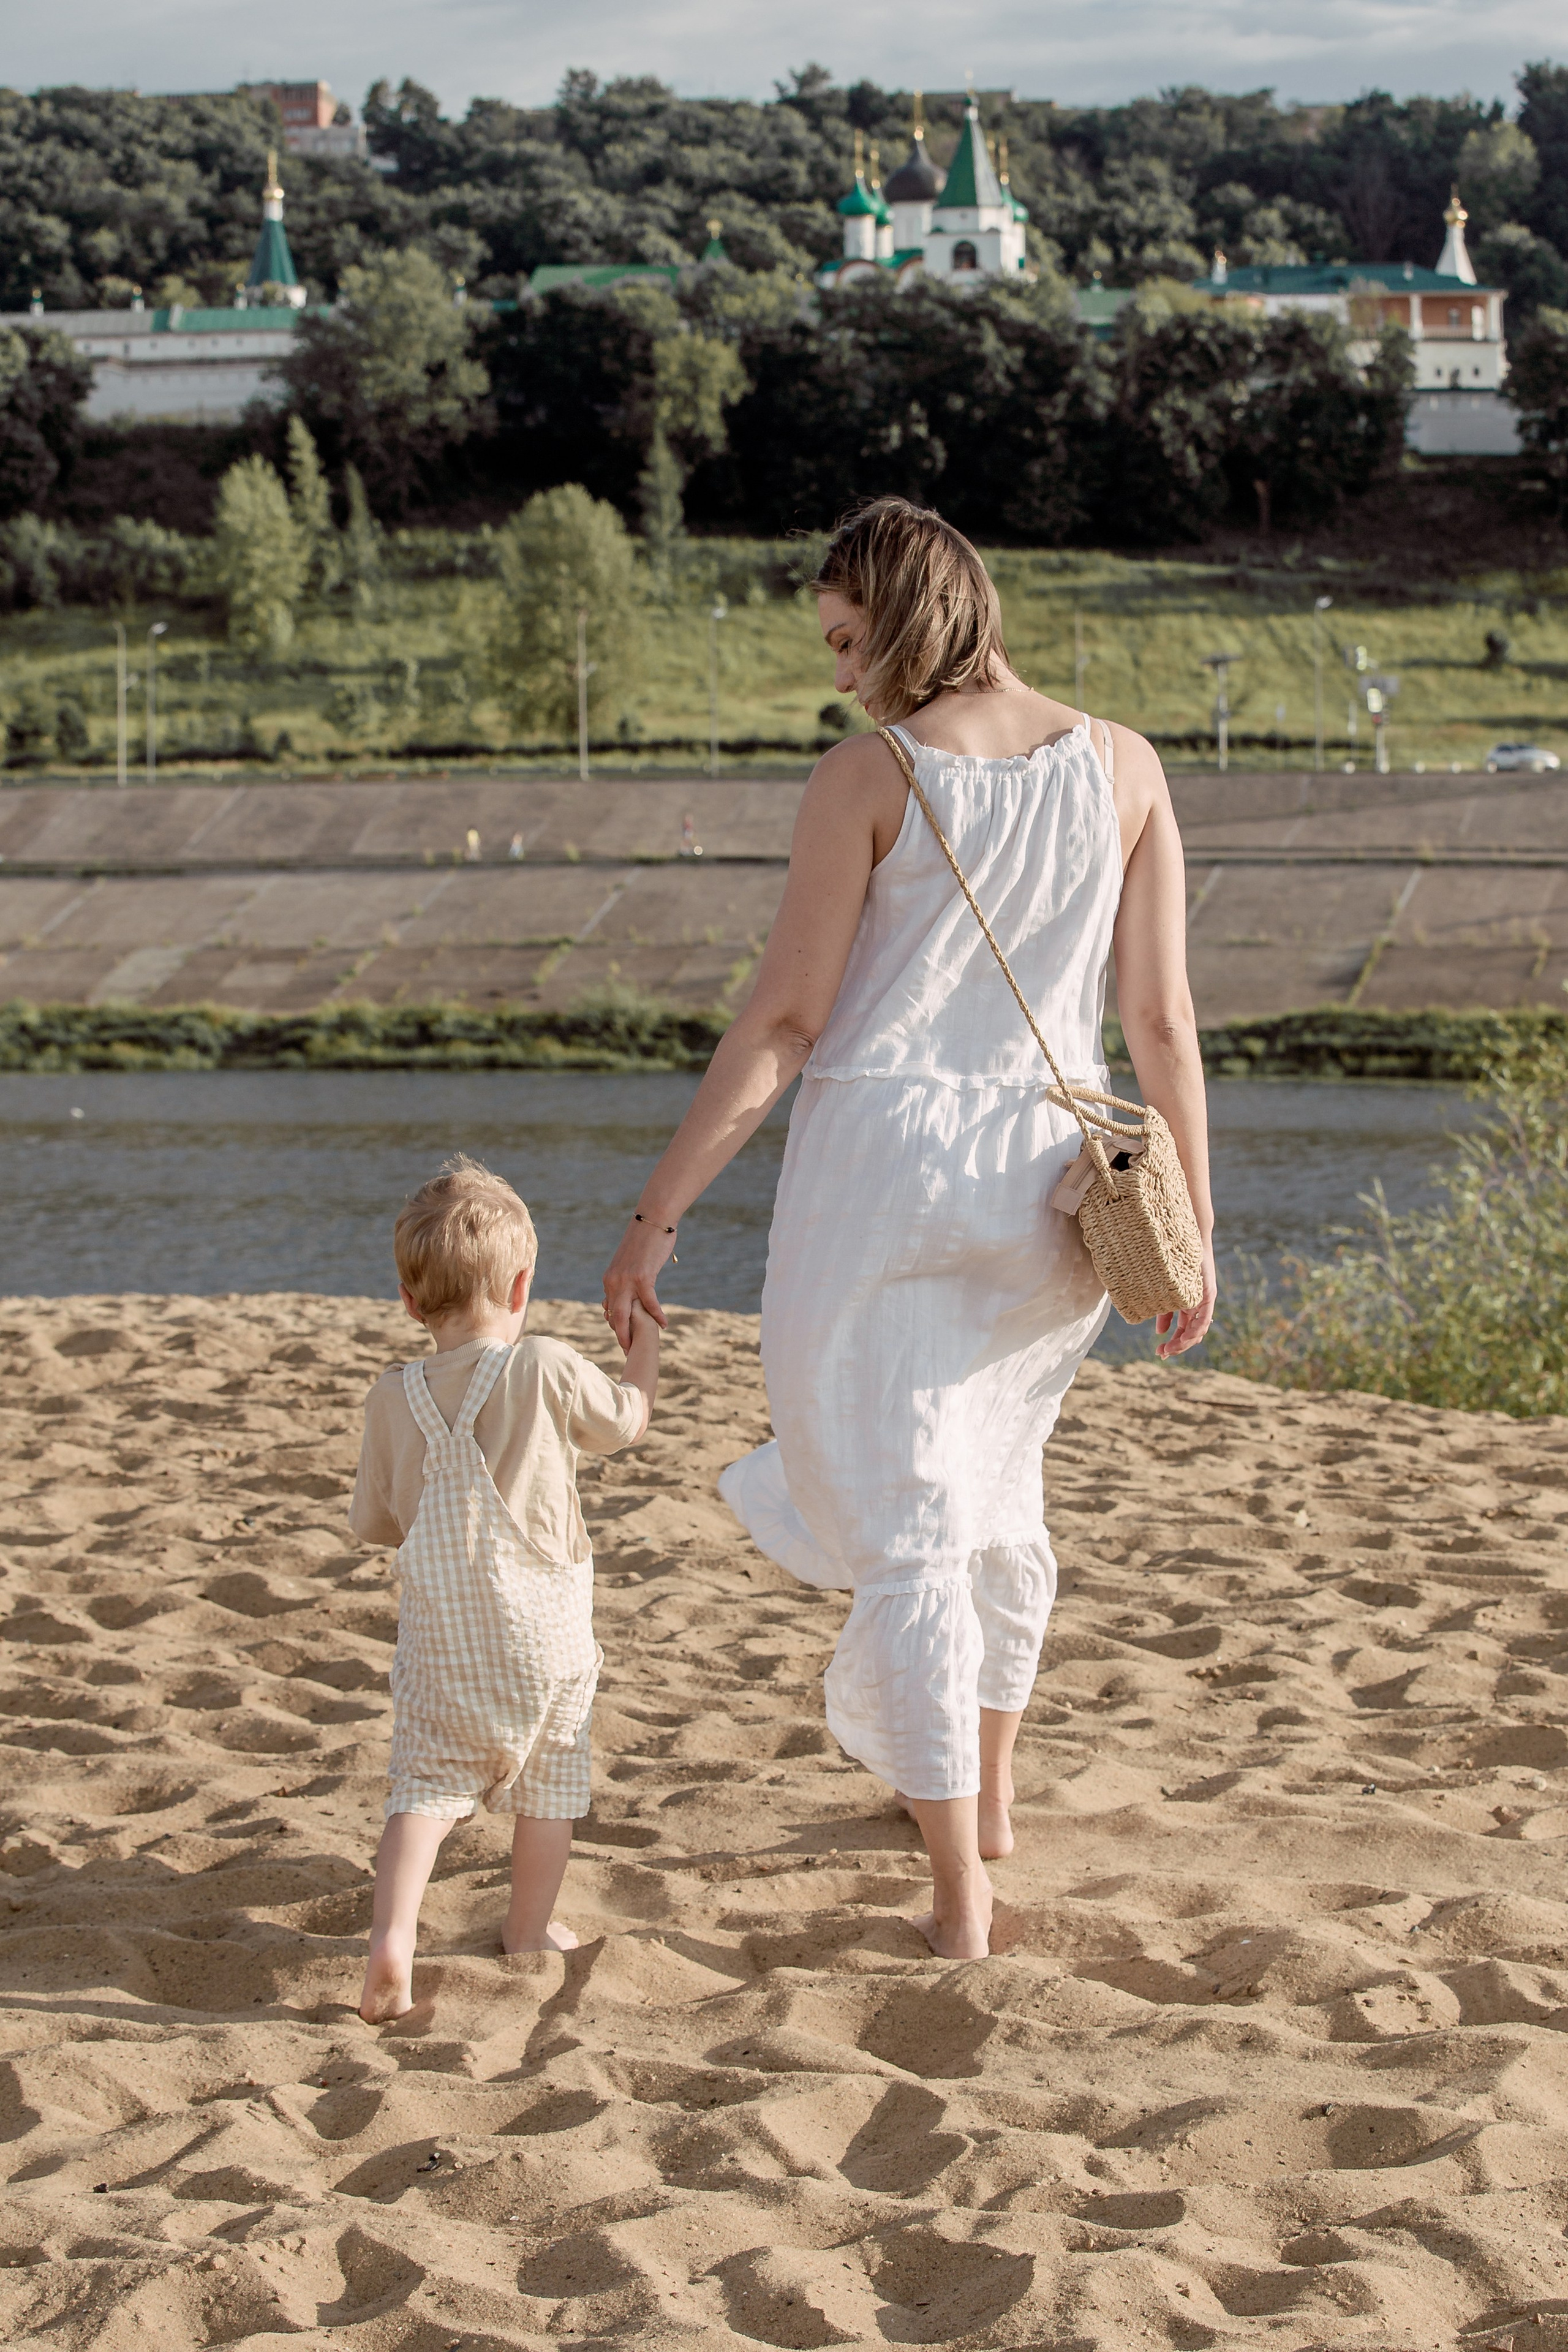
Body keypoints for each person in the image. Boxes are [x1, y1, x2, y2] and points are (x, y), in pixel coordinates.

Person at [601, 497, 1215, 1961]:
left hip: (883, 1168)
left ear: (900, 615)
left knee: (906, 1525)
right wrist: (1194, 1220)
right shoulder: (1125, 766)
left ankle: (957, 1894)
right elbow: (1160, 1022)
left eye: (844, 637)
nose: (838, 672)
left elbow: (790, 1021)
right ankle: (984, 1798)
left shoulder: (864, 777)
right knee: (994, 1488)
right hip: (1052, 1171)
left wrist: (655, 1215)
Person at [350, 1155, 660, 2022]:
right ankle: (527, 1931)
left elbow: (375, 1524)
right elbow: (626, 1426)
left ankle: (392, 1941)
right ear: (523, 1284)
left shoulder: (391, 1396)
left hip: (445, 1640)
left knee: (423, 1787)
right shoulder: (548, 1366)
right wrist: (646, 1354)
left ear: (410, 1302)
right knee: (550, 1783)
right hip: (546, 1639)